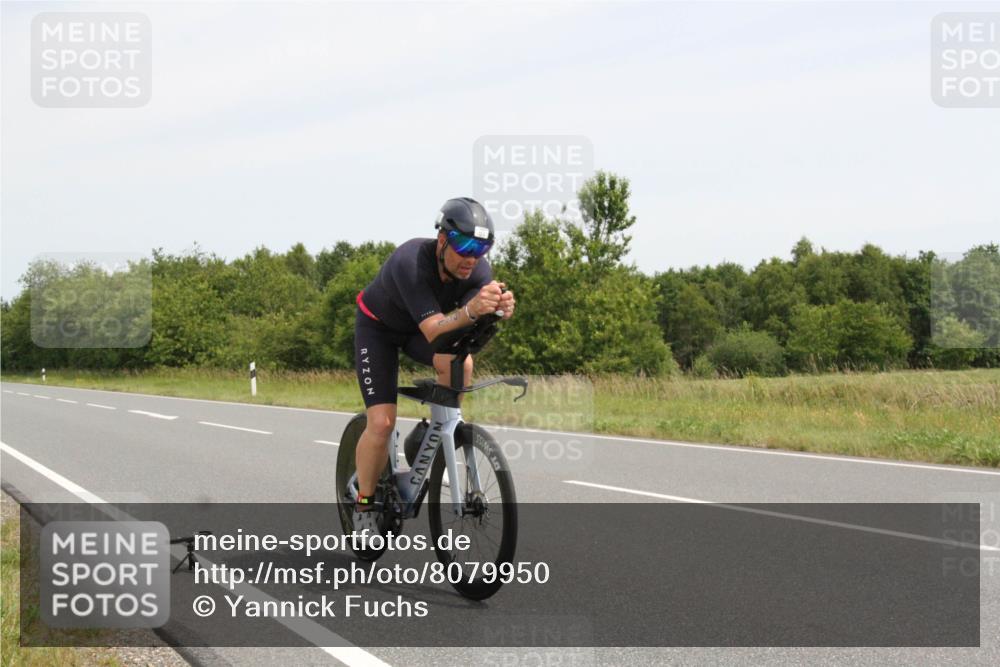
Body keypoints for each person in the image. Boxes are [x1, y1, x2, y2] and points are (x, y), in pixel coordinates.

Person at [352, 197, 516, 518]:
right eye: (465, 246)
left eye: (482, 249)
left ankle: (437, 433)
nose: (472, 258)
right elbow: (434, 330)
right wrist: (472, 309)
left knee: (461, 363)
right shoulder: (410, 261)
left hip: (419, 331)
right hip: (379, 330)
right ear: (442, 240)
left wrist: (495, 310)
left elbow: (464, 332)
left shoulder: (479, 271)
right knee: (382, 423)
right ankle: (364, 506)